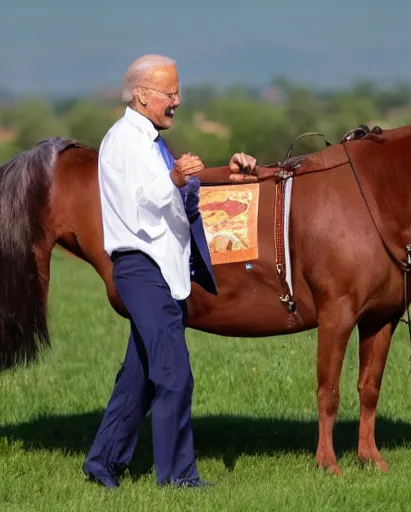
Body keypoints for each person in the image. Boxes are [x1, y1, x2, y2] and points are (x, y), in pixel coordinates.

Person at [82, 54, 257, 489]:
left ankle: (102, 462)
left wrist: (226, 175)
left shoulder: (152, 142)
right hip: (141, 269)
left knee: (139, 377)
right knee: (174, 374)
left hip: (165, 271)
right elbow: (139, 204)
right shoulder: (122, 141)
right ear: (142, 95)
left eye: (178, 91)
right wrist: (176, 178)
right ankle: (178, 477)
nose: (176, 100)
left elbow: (181, 187)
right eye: (169, 93)